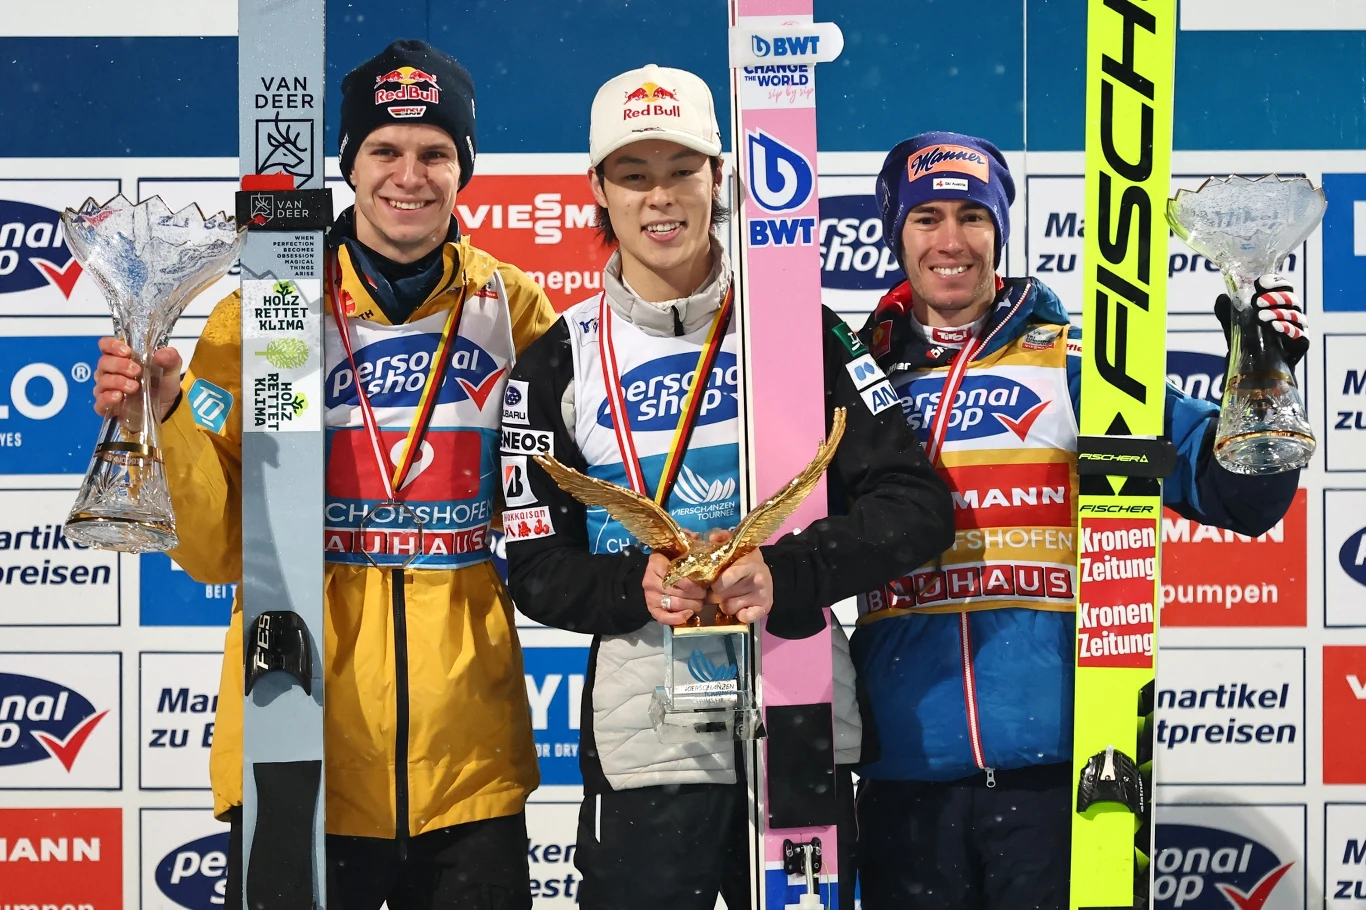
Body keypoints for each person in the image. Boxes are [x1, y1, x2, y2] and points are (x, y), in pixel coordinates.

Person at [91, 39, 556, 910]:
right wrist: (165, 416)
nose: (409, 176)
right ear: (347, 163)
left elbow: (554, 506)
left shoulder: (512, 308)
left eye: (435, 152)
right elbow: (217, 549)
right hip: (296, 739)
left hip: (468, 762)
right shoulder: (265, 311)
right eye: (385, 149)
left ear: (465, 167)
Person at [500, 65, 956, 910]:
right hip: (647, 742)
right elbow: (533, 566)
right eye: (633, 174)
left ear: (718, 177)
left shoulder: (802, 331)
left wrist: (790, 571)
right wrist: (632, 586)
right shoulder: (557, 360)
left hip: (798, 711)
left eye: (682, 169)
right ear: (597, 189)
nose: (660, 196)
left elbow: (916, 506)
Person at [851, 131, 1308, 910]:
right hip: (905, 779)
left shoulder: (1075, 367)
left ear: (1000, 231)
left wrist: (1261, 380)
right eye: (927, 218)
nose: (951, 241)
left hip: (1061, 777)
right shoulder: (857, 385)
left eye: (973, 216)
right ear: (897, 234)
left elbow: (1238, 496)